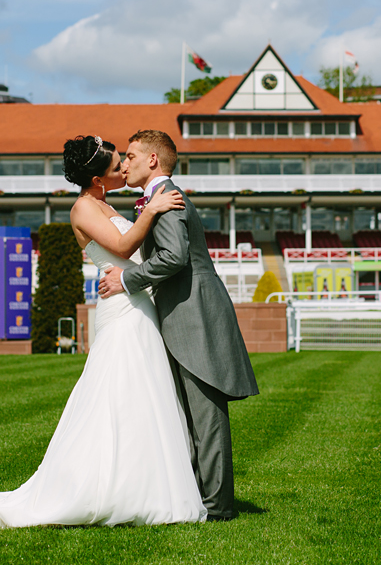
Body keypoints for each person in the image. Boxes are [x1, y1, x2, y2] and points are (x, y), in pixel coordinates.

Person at [0, 135, 207, 528]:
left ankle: (146, 483)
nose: (125, 168)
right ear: (98, 179)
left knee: (144, 393)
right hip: (121, 308)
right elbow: (124, 245)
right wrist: (153, 210)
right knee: (118, 393)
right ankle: (112, 487)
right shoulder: (83, 208)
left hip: (135, 301)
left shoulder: (107, 204)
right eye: (117, 166)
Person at [98, 130, 259, 521]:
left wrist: (126, 279)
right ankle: (200, 497)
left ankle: (218, 507)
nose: (125, 164)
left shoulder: (168, 199)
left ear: (152, 160)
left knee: (205, 415)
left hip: (195, 314)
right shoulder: (159, 198)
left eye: (131, 156)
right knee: (190, 415)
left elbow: (173, 257)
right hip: (183, 312)